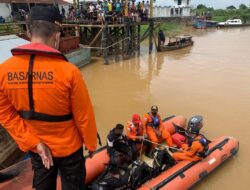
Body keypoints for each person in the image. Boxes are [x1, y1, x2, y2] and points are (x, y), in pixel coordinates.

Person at [0, 6, 97, 190]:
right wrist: (91, 144)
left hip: (38, 149)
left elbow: (6, 116)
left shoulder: (3, 72)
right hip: (70, 149)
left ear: (28, 32)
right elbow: (84, 116)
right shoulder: (70, 72)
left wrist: (34, 143)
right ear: (57, 36)